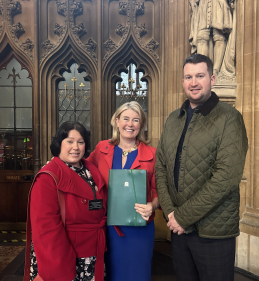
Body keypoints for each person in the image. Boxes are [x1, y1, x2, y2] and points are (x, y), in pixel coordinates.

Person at [155, 54, 248, 281]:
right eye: (188, 77)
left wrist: (182, 217)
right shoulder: (173, 119)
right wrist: (170, 213)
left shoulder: (230, 118)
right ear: (183, 81)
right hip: (179, 230)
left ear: (212, 79)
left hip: (212, 233)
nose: (193, 82)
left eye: (199, 76)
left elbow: (226, 177)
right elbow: (161, 167)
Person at [24, 121, 107, 281]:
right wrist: (61, 269)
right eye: (69, 141)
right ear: (59, 144)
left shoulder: (91, 170)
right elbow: (46, 230)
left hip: (94, 253)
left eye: (80, 142)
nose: (75, 147)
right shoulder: (47, 178)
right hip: (65, 259)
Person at [87, 101, 159, 281]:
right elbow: (83, 172)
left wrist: (153, 205)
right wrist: (59, 166)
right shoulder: (101, 148)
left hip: (140, 229)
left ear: (141, 125)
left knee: (137, 274)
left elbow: (159, 190)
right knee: (111, 273)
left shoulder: (152, 154)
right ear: (117, 121)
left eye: (136, 120)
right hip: (108, 227)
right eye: (125, 118)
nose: (130, 124)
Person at [189, 0, 234, 75]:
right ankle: (202, 70)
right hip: (203, 5)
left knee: (219, 36)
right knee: (201, 37)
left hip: (218, 3)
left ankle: (216, 70)